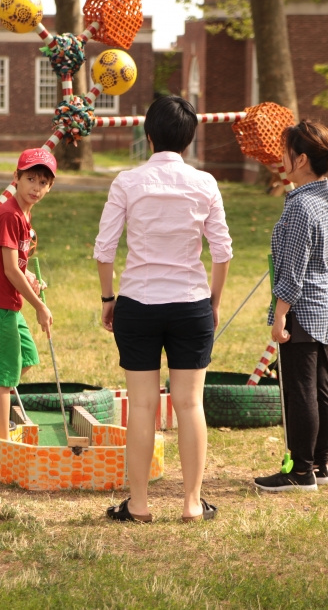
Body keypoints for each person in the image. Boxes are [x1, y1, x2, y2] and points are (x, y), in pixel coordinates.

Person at [94, 95, 232, 522]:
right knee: (190, 404)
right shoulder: (205, 183)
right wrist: (212, 302)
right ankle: (192, 503)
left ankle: (138, 504)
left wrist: (107, 298)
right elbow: (223, 252)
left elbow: (104, 250)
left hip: (137, 303)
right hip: (191, 303)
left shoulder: (127, 182)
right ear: (189, 140)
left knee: (141, 407)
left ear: (148, 135)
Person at [254, 119, 328, 492]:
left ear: (298, 160)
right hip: (326, 303)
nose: (281, 160)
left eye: (284, 153)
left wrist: (279, 317)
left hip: (302, 307)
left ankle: (300, 472)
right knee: (321, 387)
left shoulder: (299, 207)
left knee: (300, 391)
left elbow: (292, 272)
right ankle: (321, 464)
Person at [0, 148, 56, 440]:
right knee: (5, 376)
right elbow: (9, 270)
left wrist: (29, 276)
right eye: (31, 179)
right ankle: (3, 445)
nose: (36, 187)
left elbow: (17, 264)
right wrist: (40, 306)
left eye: (43, 182)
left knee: (26, 358)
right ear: (16, 177)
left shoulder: (23, 217)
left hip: (7, 302)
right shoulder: (9, 215)